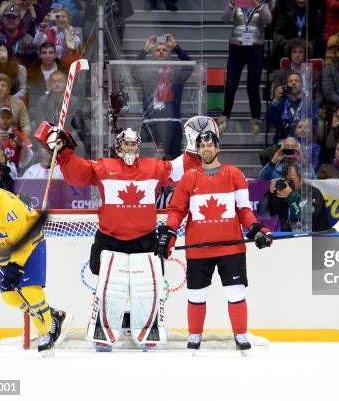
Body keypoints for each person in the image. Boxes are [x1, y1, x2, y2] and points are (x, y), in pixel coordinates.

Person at [34, 116, 214, 351]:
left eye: (133, 144)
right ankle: (103, 335)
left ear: (138, 147)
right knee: (109, 290)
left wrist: (193, 148)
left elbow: (179, 169)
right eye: (125, 144)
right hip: (110, 239)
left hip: (145, 239)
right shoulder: (103, 168)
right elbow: (77, 173)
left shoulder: (153, 167)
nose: (129, 148)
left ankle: (148, 334)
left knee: (147, 290)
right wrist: (63, 151)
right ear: (118, 147)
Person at [157, 130, 273, 352]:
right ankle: (194, 336)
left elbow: (244, 210)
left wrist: (257, 229)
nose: (206, 150)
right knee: (196, 295)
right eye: (202, 147)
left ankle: (240, 335)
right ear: (198, 150)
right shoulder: (188, 178)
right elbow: (176, 211)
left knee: (236, 292)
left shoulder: (234, 174)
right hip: (198, 250)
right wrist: (169, 232)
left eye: (210, 146)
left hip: (231, 248)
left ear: (217, 148)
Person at [0, 178, 69, 355]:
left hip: (31, 244)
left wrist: (15, 266)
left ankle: (46, 333)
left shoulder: (9, 209)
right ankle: (52, 314)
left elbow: (24, 241)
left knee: (29, 291)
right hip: (6, 246)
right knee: (10, 297)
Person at [218, 0, 273, 134]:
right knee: (230, 84)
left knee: (252, 86)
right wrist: (231, 3)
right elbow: (224, 19)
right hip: (236, 47)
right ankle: (225, 116)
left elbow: (267, 20)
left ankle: (256, 119)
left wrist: (257, 4)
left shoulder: (263, 2)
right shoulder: (237, 2)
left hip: (255, 48)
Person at [132, 33, 192, 159]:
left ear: (169, 54)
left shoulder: (176, 74)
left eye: (164, 50)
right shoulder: (146, 74)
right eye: (157, 50)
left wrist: (176, 47)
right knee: (148, 161)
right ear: (152, 54)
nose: (161, 52)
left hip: (172, 122)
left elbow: (189, 66)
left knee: (174, 160)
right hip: (150, 122)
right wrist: (145, 49)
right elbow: (134, 70)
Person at [258, 163, 329, 232]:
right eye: (286, 181)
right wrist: (271, 193)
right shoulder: (282, 193)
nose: (288, 184)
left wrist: (291, 195)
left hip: (315, 238)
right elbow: (262, 211)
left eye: (291, 181)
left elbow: (311, 215)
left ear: (301, 179)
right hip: (289, 238)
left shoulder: (313, 192)